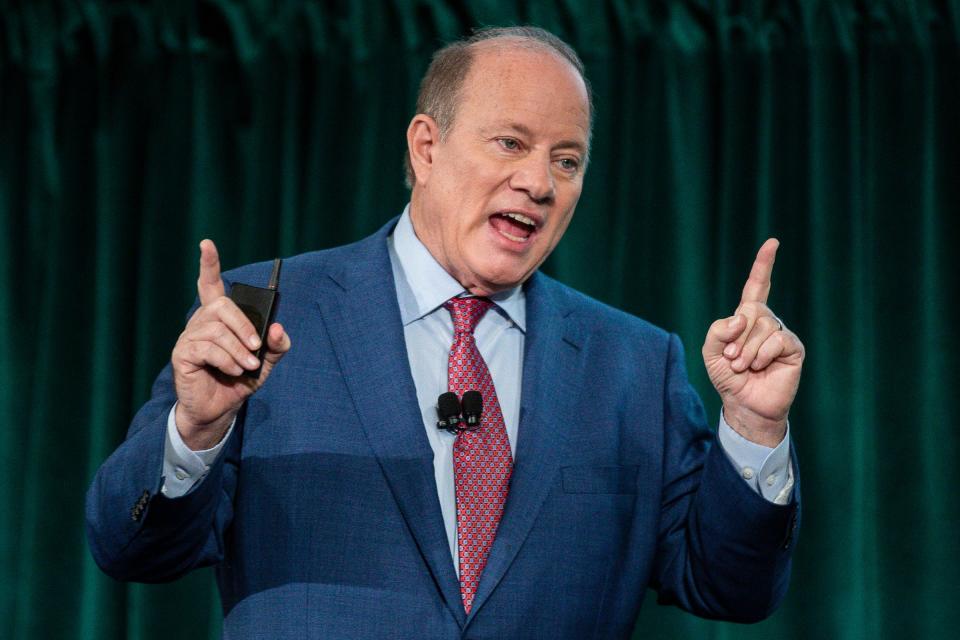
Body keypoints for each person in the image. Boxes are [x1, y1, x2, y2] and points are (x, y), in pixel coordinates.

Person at [86, 26, 803, 639]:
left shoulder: (633, 366)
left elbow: (730, 587)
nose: (540, 183)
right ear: (426, 148)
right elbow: (129, 547)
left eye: (567, 160)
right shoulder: (269, 315)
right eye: (511, 143)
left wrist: (751, 426)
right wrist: (195, 432)